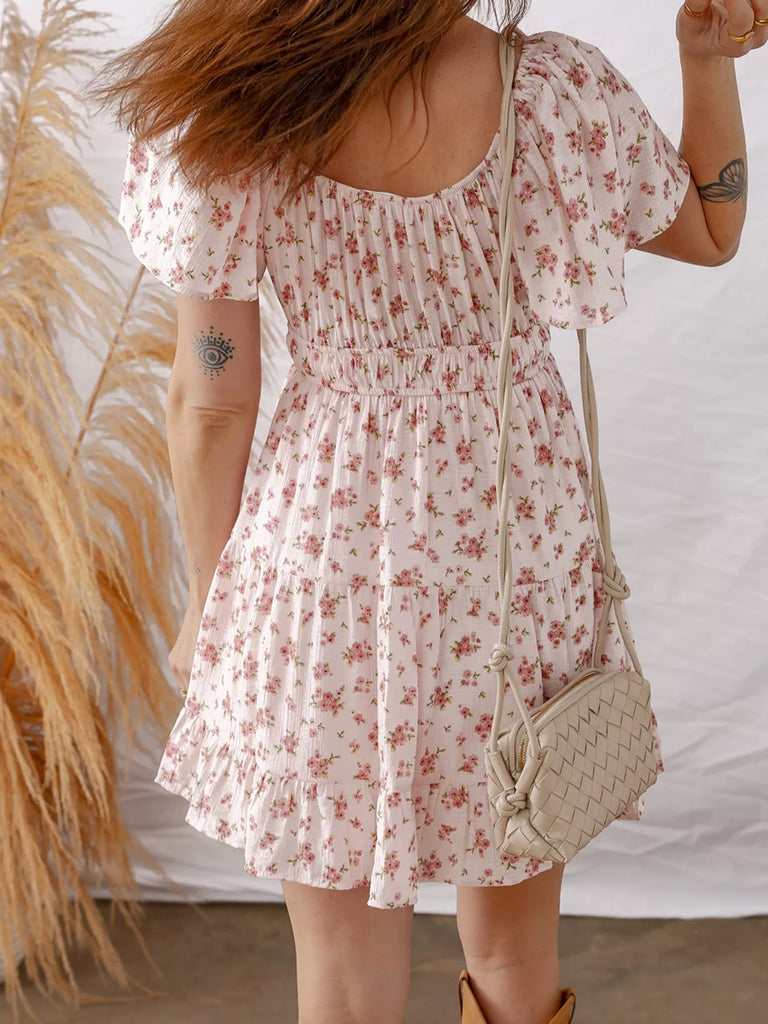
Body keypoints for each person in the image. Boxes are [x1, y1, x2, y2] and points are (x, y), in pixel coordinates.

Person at [96, 1, 763, 1022]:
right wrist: (704, 60)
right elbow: (713, 231)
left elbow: (213, 398)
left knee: (343, 972)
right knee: (513, 952)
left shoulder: (230, 105)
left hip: (326, 554)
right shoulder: (548, 91)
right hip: (513, 547)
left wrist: (207, 600)